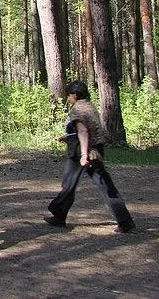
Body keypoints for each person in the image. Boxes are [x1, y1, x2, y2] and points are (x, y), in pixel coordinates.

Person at [44, 80, 135, 233]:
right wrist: (67, 137)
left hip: (84, 150)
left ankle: (58, 213)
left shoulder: (78, 110)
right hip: (93, 148)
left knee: (74, 184)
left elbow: (84, 132)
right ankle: (59, 215)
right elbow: (87, 130)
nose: (68, 98)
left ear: (73, 95)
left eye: (69, 95)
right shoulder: (89, 106)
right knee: (96, 185)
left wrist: (84, 155)